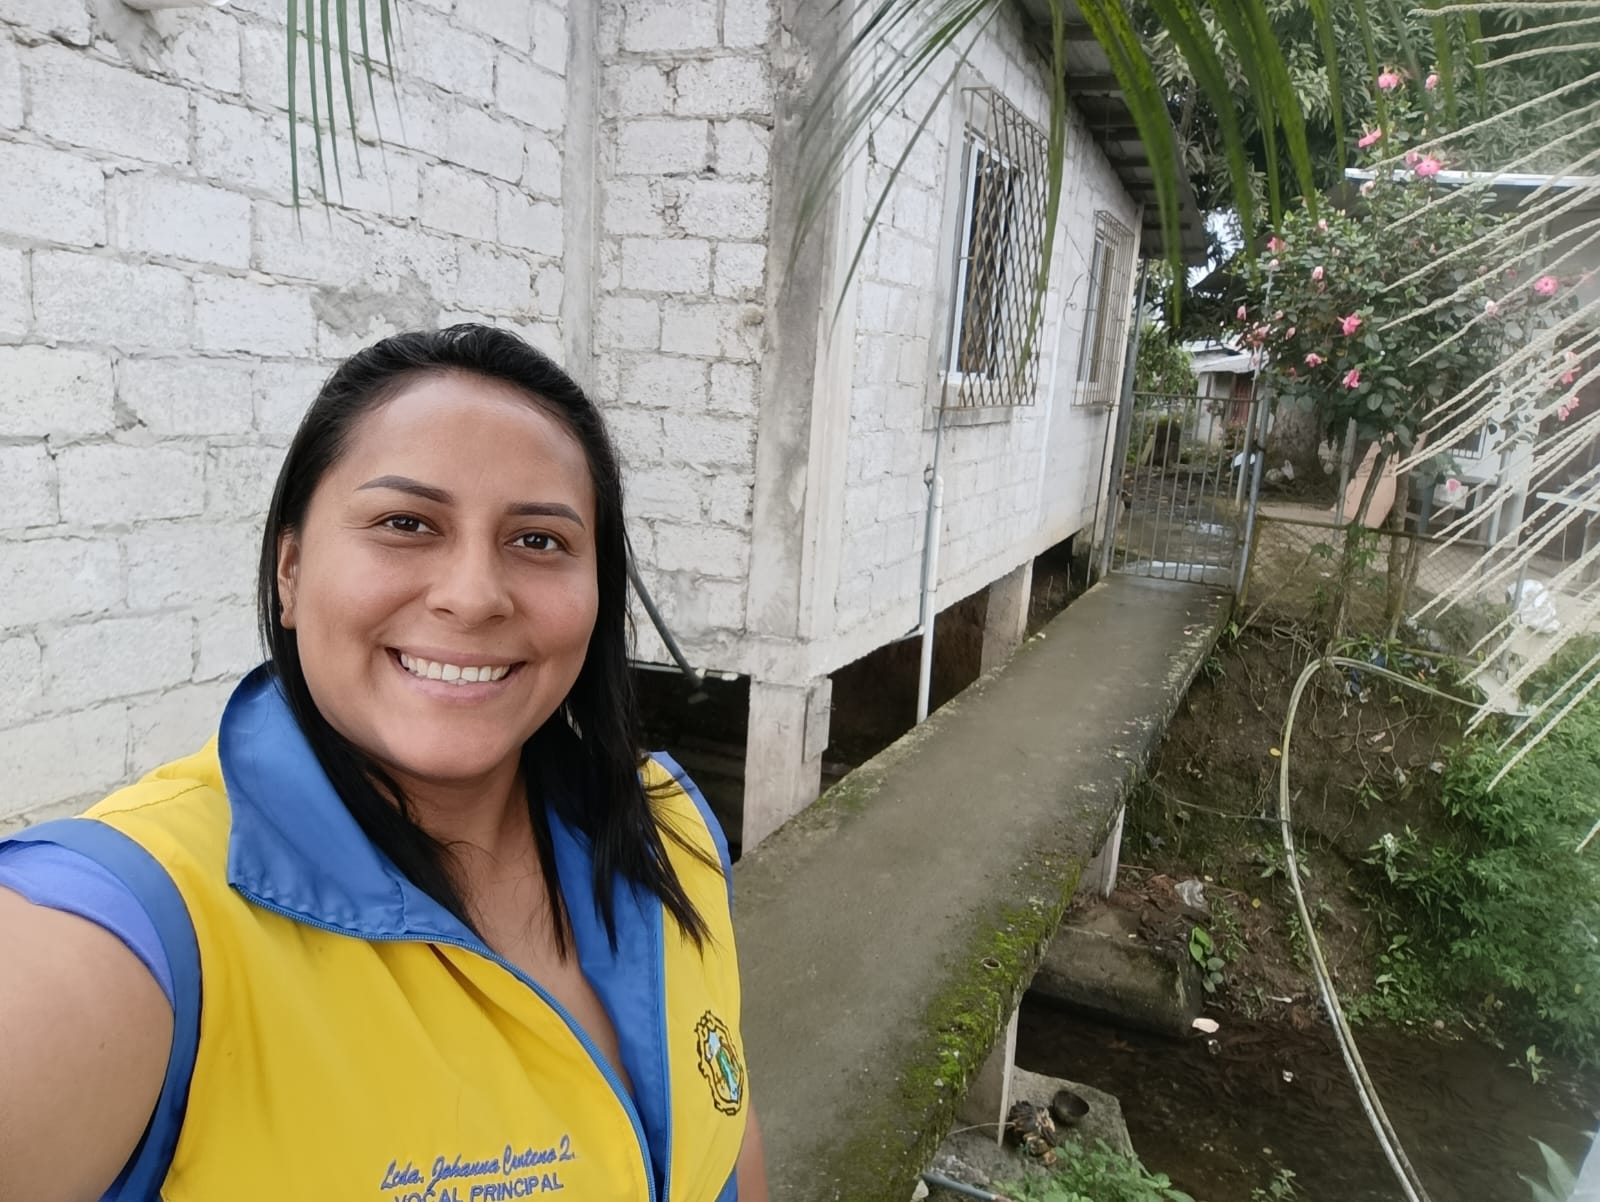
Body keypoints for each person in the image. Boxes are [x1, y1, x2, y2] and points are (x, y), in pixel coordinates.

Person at [0, 325, 766, 1202]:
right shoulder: (142, 928)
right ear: (291, 572)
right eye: (406, 524)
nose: (473, 596)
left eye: (539, 541)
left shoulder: (668, 828)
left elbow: (728, 1126)